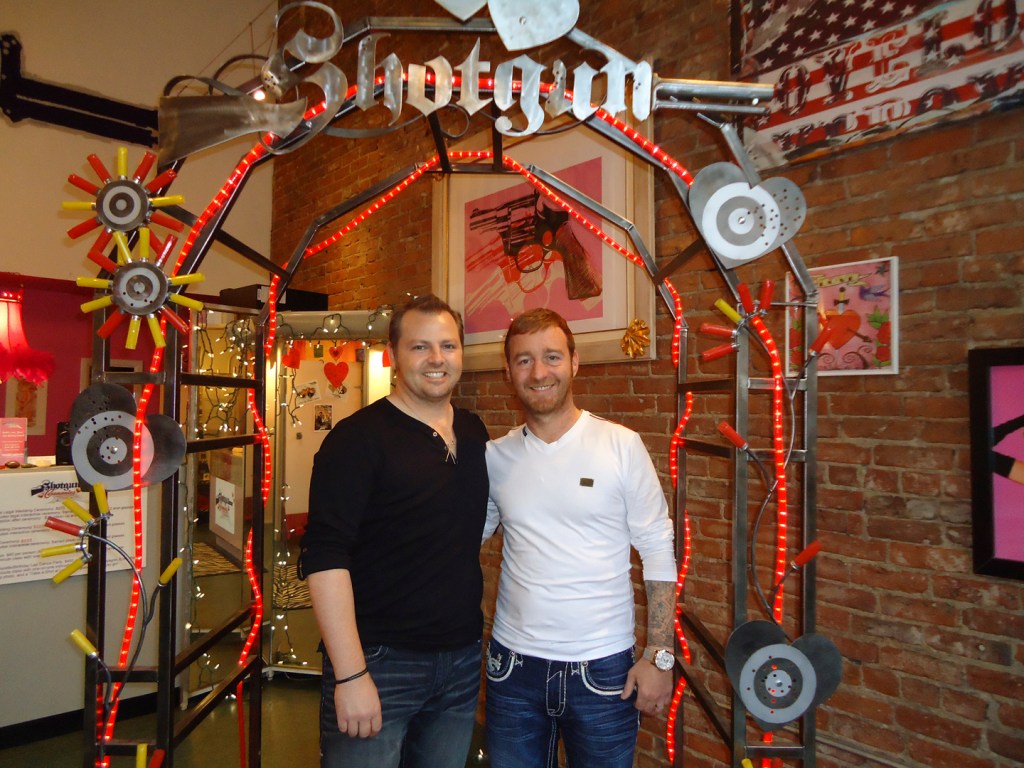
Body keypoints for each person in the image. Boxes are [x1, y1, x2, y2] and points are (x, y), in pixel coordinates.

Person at [299, 294, 490, 768]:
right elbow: (324, 555)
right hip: (380, 661)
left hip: (462, 659)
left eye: (448, 346)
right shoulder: (356, 440)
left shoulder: (473, 432)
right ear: (393, 355)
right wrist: (350, 674)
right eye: (420, 347)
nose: (436, 359)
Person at [482, 307, 677, 768]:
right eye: (524, 360)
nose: (539, 372)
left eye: (551, 356)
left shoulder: (620, 445)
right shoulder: (494, 457)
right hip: (512, 670)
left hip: (603, 672)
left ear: (574, 362)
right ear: (508, 372)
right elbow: (459, 539)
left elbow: (656, 548)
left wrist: (660, 656)